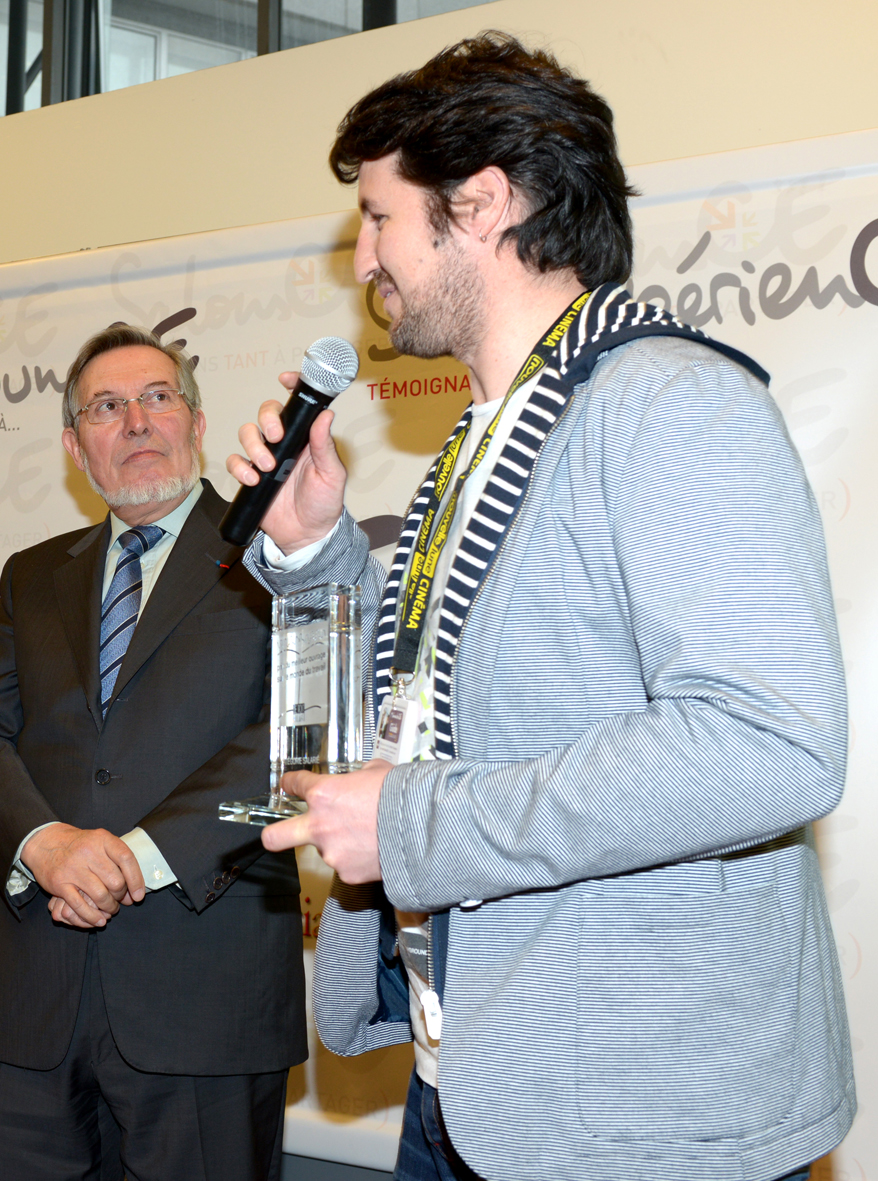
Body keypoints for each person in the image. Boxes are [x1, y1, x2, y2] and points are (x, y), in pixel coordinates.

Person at [226, 34, 855, 1181]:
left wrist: (414, 826)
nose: (363, 258)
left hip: (640, 1117)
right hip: (467, 1081)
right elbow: (448, 705)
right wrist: (316, 547)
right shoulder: (481, 435)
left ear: (482, 203)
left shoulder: (671, 401)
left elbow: (770, 742)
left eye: (379, 218)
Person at [0, 324, 306, 1181]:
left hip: (204, 1004)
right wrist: (47, 843)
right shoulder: (33, 576)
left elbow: (296, 740)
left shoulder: (282, 554)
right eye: (107, 407)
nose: (136, 421)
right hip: (38, 1006)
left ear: (197, 421)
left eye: (156, 398)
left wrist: (136, 855)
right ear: (76, 446)